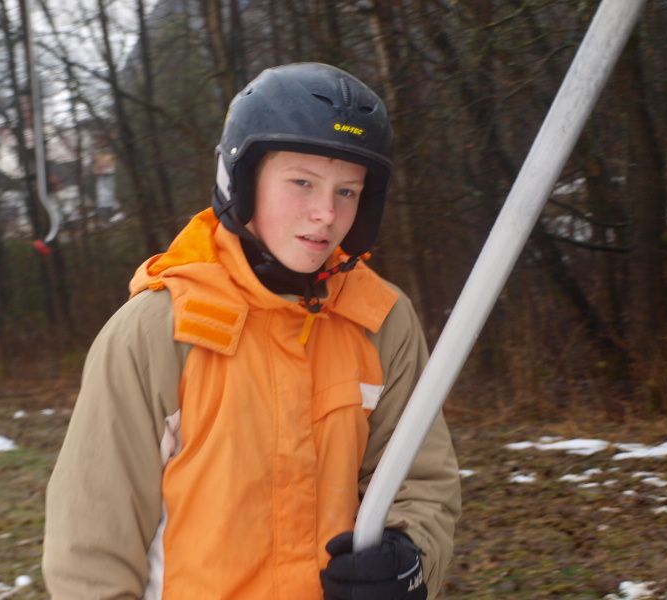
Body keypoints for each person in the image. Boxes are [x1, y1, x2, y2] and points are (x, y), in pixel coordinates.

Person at [43, 62, 461, 600]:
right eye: (302, 182)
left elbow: (422, 482)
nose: (326, 213)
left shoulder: (381, 322)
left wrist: (411, 558)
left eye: (347, 191)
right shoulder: (158, 332)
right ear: (239, 182)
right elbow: (91, 546)